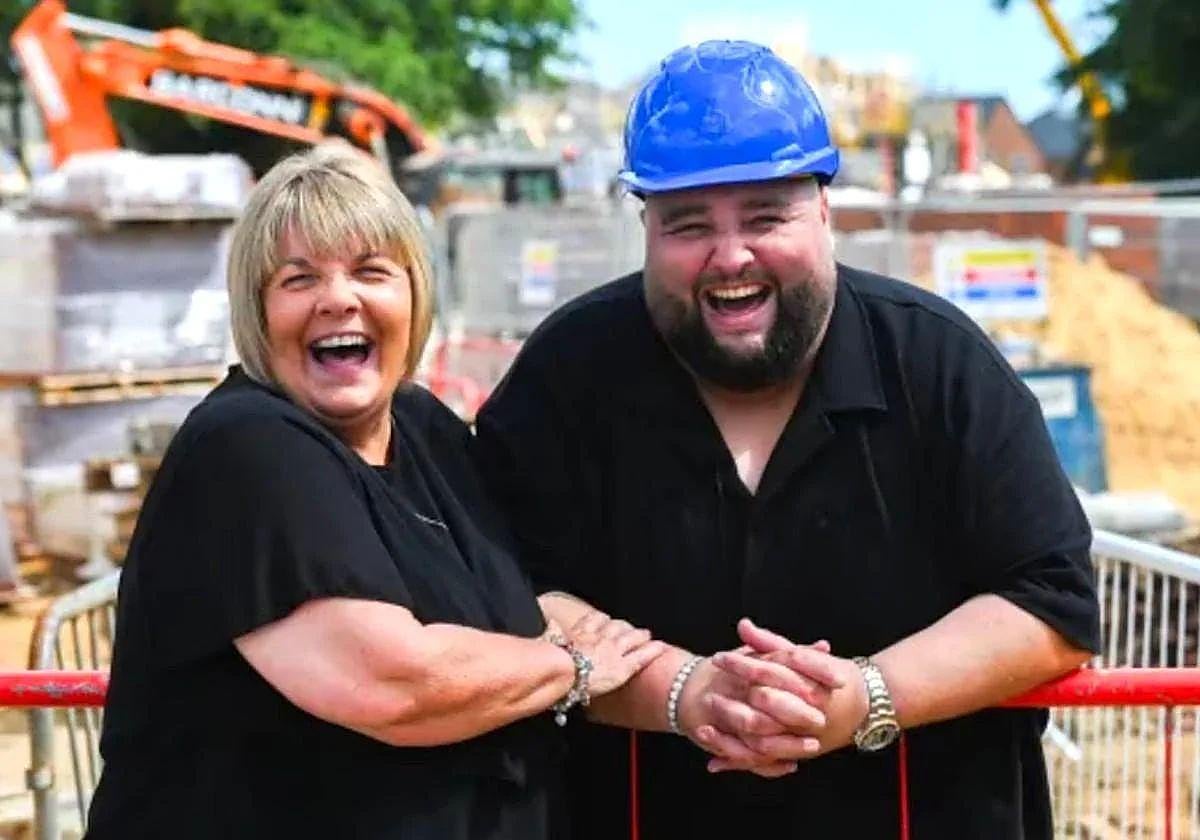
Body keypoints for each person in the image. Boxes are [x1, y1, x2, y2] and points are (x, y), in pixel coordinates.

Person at [474, 40, 1100, 838]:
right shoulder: (567, 376)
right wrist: (683, 693)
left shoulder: (939, 364)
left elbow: (1052, 605)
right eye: (688, 224)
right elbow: (499, 592)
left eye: (767, 216)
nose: (731, 256)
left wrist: (867, 697)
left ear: (826, 210)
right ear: (645, 227)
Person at [84, 145, 664, 839]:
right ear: (258, 312)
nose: (338, 298)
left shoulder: (424, 428)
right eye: (298, 280)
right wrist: (571, 666)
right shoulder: (246, 446)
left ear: (414, 295)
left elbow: (516, 599)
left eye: (371, 271)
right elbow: (395, 684)